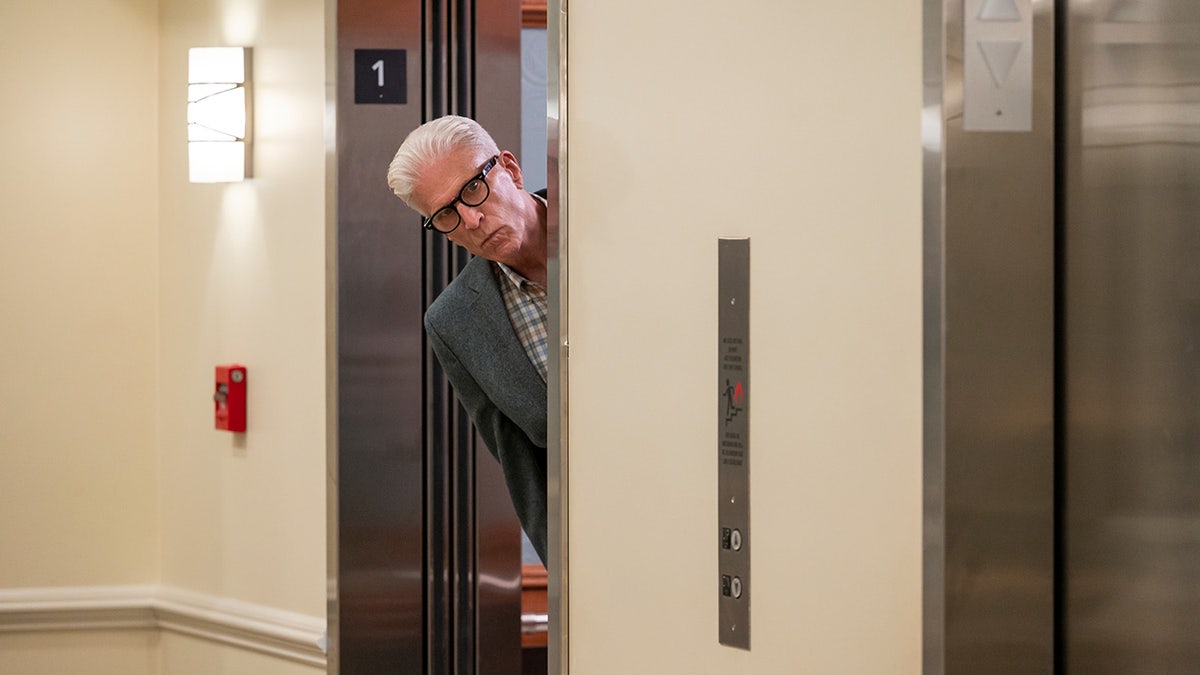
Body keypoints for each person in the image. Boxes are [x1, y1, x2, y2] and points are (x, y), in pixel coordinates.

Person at [387, 115, 549, 564]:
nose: (471, 220)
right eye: (445, 215)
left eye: (473, 189)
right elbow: (522, 470)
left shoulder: (617, 231)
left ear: (510, 170)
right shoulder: (455, 323)